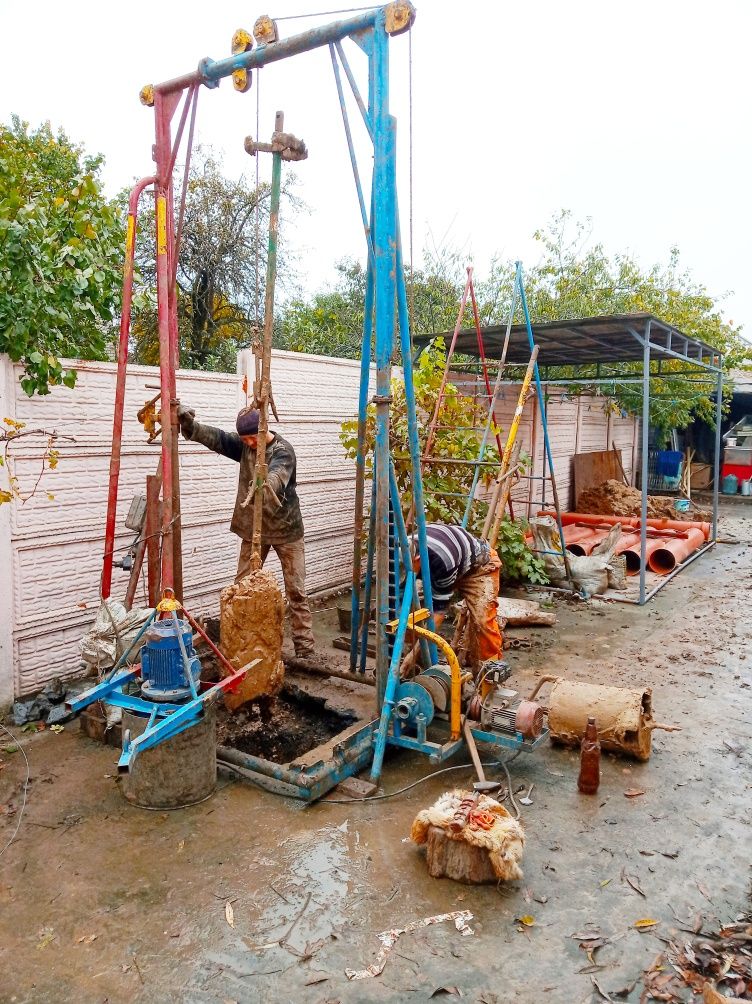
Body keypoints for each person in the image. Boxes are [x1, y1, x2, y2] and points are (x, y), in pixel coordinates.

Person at [177, 404, 316, 659]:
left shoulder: (283, 451)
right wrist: (191, 427)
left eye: (254, 437)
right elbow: (217, 438)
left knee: (296, 590)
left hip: (286, 530)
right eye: (245, 439)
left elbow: (277, 475)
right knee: (242, 587)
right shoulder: (244, 446)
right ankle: (242, 646)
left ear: (263, 430)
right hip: (254, 530)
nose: (250, 443)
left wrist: (264, 483)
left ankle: (304, 649)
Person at [407, 523, 503, 675]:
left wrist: (413, 654)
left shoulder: (442, 561)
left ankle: (488, 681)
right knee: (410, 614)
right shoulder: (405, 547)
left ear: (418, 558)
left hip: (480, 568)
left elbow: (438, 613)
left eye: (409, 566)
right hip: (453, 560)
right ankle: (417, 669)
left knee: (482, 622)